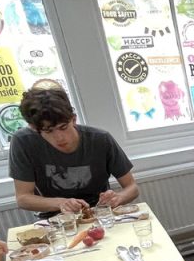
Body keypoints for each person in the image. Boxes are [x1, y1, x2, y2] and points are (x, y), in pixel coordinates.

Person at [9, 87, 139, 217]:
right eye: (48, 131)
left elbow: (132, 188)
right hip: (55, 218)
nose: (59, 138)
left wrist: (118, 198)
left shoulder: (100, 139)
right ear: (34, 129)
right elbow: (23, 198)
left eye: (63, 127)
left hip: (99, 213)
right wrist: (61, 203)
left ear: (74, 119)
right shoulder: (23, 142)